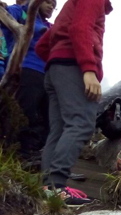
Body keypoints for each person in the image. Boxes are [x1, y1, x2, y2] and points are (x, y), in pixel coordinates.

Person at [35, 0, 113, 205]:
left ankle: (48, 188)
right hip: (74, 66)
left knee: (60, 129)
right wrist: (88, 69)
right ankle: (56, 185)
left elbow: (43, 45)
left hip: (56, 68)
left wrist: (57, 58)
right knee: (81, 124)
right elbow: (80, 28)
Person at [1, 0, 55, 160]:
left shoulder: (51, 26)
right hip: (26, 67)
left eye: (54, 4)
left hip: (47, 74)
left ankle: (33, 152)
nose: (51, 6)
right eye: (48, 1)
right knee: (26, 111)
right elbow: (5, 18)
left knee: (47, 117)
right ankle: (18, 153)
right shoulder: (21, 11)